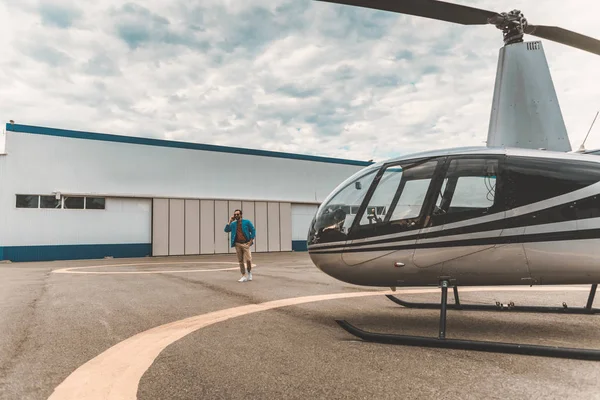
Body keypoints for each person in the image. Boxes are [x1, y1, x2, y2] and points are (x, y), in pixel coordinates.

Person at [224, 209, 256, 282]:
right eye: (235, 214)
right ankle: (243, 275)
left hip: (246, 243)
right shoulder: (233, 224)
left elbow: (253, 230)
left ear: (241, 215)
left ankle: (249, 272)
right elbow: (226, 230)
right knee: (240, 260)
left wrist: (250, 241)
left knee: (248, 260)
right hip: (237, 244)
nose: (236, 216)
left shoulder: (247, 222)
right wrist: (230, 221)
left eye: (237, 214)